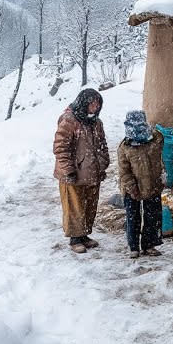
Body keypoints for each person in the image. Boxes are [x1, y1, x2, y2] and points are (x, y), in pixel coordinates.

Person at [53, 88, 110, 254]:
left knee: (89, 206)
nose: (95, 106)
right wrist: (68, 170)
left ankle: (84, 235)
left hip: (92, 173)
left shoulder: (96, 122)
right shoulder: (69, 120)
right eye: (92, 103)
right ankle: (75, 239)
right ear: (84, 103)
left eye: (98, 103)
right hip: (74, 173)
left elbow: (102, 144)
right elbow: (61, 148)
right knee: (74, 206)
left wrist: (103, 162)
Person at [117, 110, 165, 259]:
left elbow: (161, 140)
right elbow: (124, 172)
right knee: (133, 217)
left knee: (153, 216)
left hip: (153, 185)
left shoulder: (155, 139)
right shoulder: (124, 147)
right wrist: (132, 187)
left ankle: (149, 245)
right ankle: (134, 247)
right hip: (133, 189)